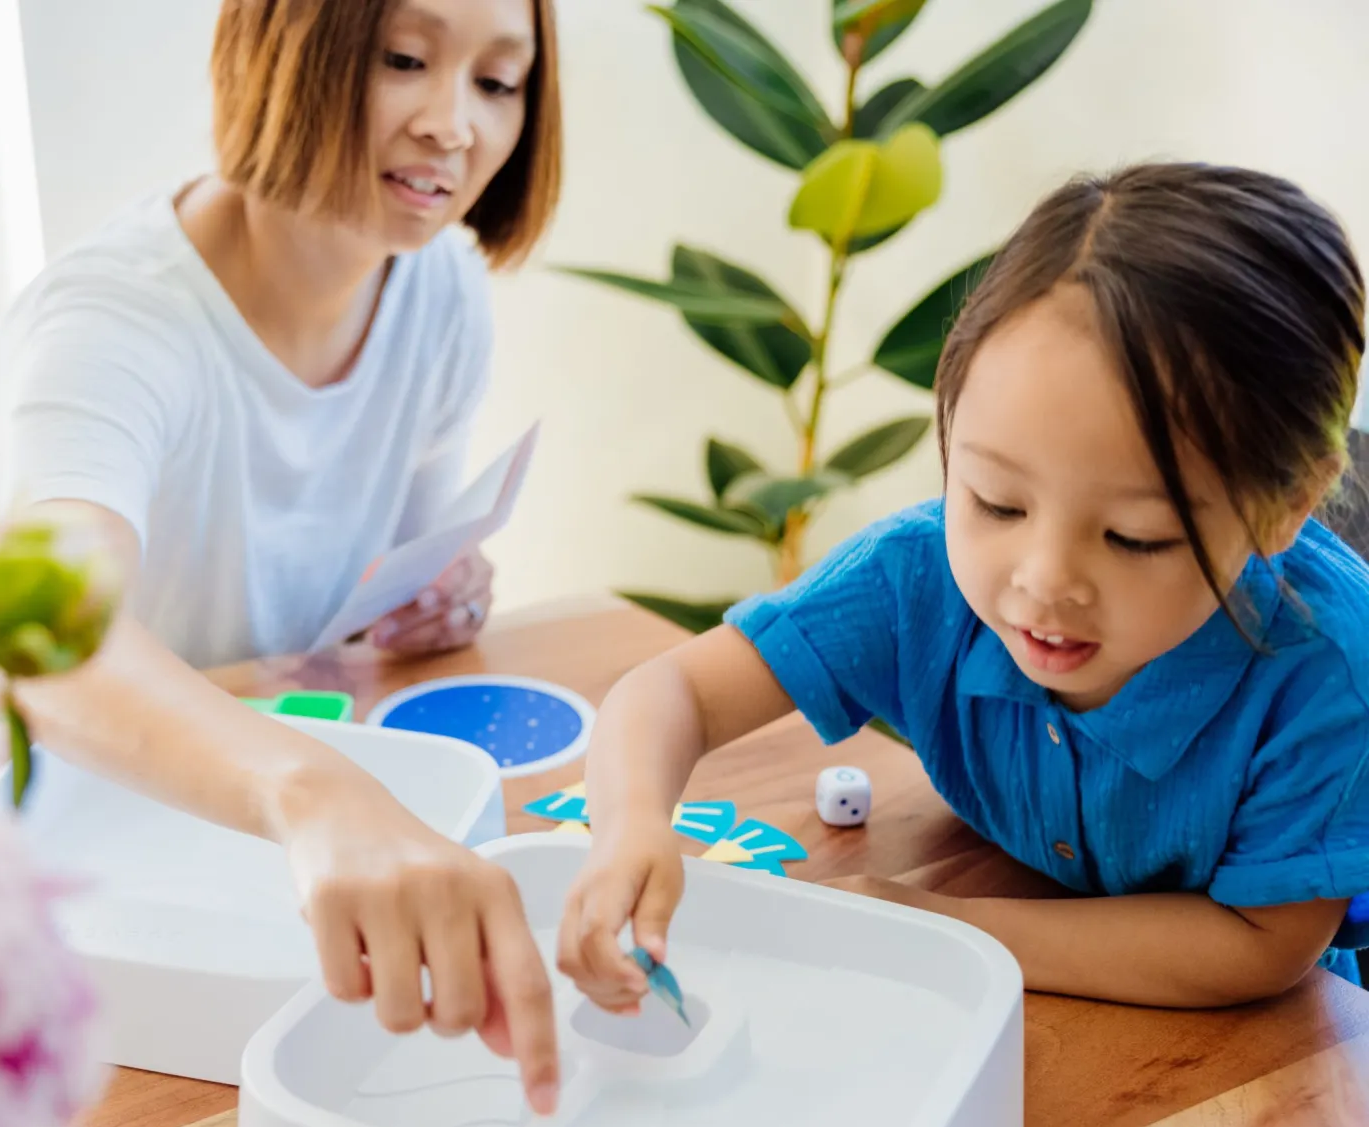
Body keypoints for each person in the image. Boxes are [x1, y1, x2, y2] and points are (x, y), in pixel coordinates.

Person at [0, 0, 565, 1112]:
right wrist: (319, 794)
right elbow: (47, 645)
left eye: (498, 83)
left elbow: (354, 590)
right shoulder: (113, 329)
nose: (452, 125)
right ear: (282, 49)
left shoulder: (440, 290)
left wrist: (424, 597)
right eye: (404, 60)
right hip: (23, 828)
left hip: (242, 801)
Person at [558, 162, 1369, 1013]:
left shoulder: (1333, 668)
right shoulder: (914, 574)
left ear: (1288, 505)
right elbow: (673, 688)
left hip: (1261, 1072)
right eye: (996, 500)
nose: (1044, 581)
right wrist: (629, 824)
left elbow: (1255, 946)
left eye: (1135, 537)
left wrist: (942, 926)